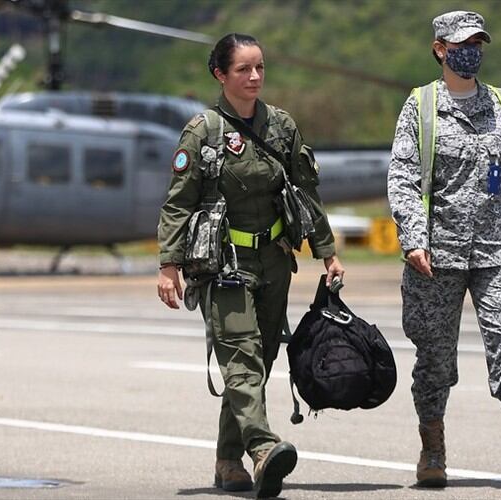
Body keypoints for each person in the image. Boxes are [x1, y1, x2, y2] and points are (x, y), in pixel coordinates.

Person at [387, 11, 501, 491]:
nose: (471, 51)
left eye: (478, 43)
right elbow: (403, 179)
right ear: (439, 49)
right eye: (461, 43)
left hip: (497, 249)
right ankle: (432, 449)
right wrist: (413, 240)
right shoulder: (421, 108)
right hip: (436, 256)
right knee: (434, 360)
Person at [156, 33, 345, 498]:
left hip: (275, 260)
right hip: (222, 264)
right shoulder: (202, 132)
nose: (255, 77)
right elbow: (178, 204)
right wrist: (168, 264)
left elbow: (306, 192)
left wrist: (327, 251)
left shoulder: (281, 126)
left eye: (260, 67)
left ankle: (227, 462)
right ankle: (262, 449)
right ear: (220, 75)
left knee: (258, 361)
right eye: (243, 69)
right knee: (241, 357)